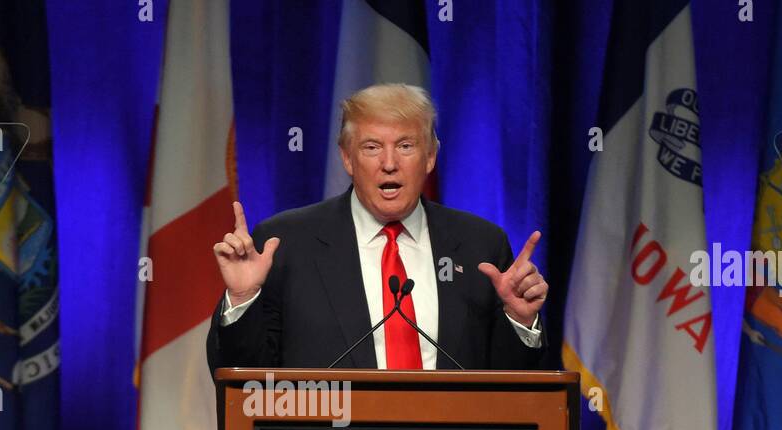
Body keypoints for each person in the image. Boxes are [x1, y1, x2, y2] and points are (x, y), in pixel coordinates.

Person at [207, 82, 550, 372]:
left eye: (405, 146)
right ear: (347, 158)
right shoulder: (286, 244)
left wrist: (519, 322)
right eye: (371, 147)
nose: (389, 164)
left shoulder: (481, 245)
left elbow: (513, 391)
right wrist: (242, 299)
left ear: (430, 156)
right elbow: (246, 384)